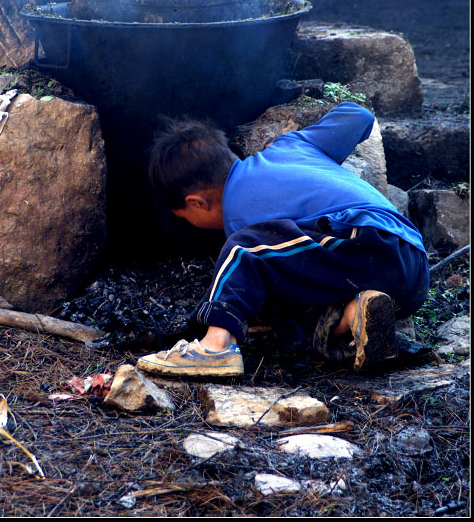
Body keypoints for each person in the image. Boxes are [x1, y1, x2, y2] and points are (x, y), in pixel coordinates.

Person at [136, 101, 430, 378]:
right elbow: (359, 116)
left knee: (242, 249)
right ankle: (358, 314)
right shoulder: (292, 145)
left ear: (197, 202)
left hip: (366, 240)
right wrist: (295, 142)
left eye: (186, 217)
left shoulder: (239, 213)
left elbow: (250, 255)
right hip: (411, 270)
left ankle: (216, 346)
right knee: (281, 312)